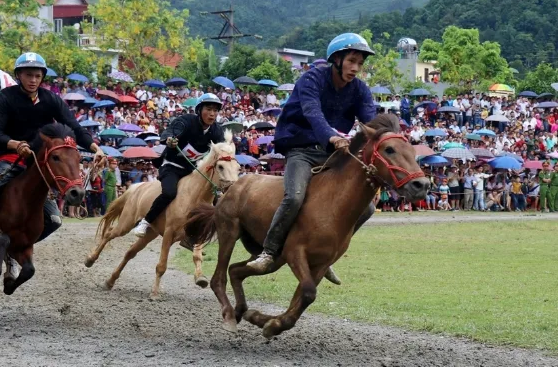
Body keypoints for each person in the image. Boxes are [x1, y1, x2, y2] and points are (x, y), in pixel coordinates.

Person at [0, 52, 103, 270]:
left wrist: (95, 148)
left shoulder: (51, 99)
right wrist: (15, 144)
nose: (33, 80)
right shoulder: (5, 98)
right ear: (19, 75)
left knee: (54, 221)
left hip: (39, 165)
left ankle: (15, 250)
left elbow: (74, 127)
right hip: (9, 156)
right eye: (28, 75)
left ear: (42, 77)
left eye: (37, 75)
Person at [247, 33, 378, 274]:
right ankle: (269, 251)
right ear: (336, 59)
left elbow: (373, 121)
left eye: (360, 63)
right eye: (351, 61)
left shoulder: (360, 89)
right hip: (301, 149)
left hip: (332, 152)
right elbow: (312, 112)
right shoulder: (312, 79)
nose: (356, 68)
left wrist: (391, 135)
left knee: (367, 208)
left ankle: (326, 255)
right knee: (294, 197)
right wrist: (331, 136)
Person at [129, 93, 225, 240]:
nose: (212, 114)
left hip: (192, 171)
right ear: (199, 110)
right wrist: (168, 140)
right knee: (169, 193)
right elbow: (169, 132)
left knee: (213, 195)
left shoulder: (217, 131)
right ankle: (145, 221)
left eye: (216, 110)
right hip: (172, 166)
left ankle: (196, 236)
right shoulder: (185, 121)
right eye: (209, 109)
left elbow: (222, 148)